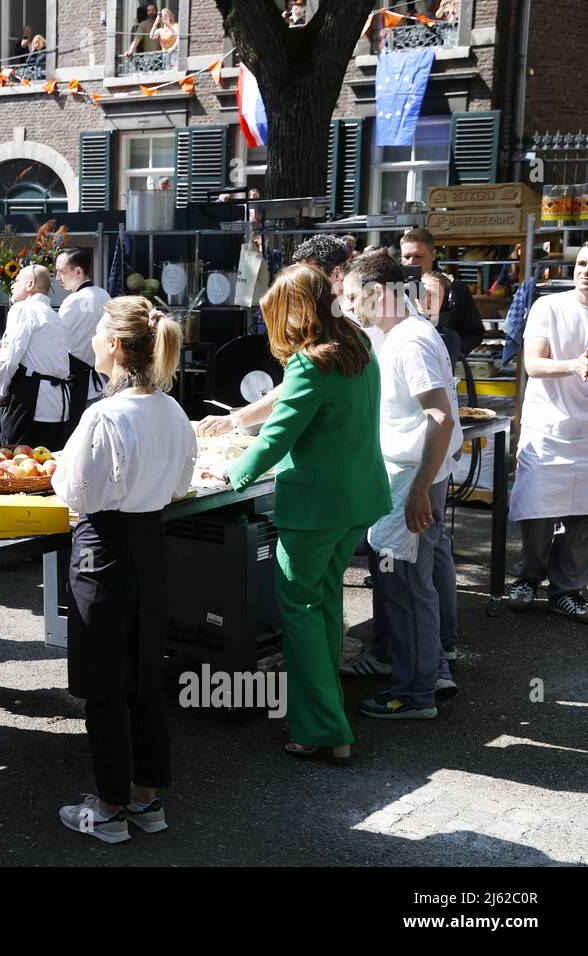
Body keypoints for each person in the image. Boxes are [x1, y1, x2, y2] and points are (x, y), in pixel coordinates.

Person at [224, 264, 391, 758]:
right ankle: (328, 715)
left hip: (316, 506)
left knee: (301, 611)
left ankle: (322, 730)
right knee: (323, 605)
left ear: (298, 311)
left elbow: (276, 438)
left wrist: (231, 476)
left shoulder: (309, 363)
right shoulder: (359, 348)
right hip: (357, 500)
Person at [52, 296, 196, 843]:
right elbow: (181, 484)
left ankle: (109, 809)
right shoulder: (172, 409)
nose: (89, 340)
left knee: (104, 682)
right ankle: (146, 800)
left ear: (114, 344)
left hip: (102, 546)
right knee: (144, 676)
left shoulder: (105, 414)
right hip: (150, 544)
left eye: (95, 333)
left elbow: (76, 490)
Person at [341, 251, 461, 720]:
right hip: (404, 478)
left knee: (408, 589)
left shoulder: (410, 340)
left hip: (409, 480)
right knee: (405, 584)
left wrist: (418, 489)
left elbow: (440, 417)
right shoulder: (402, 333)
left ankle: (415, 694)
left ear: (375, 293)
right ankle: (409, 674)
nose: (348, 306)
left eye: (353, 297)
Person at [195, 233, 353, 438]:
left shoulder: (350, 318)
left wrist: (234, 420)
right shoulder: (333, 315)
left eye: (307, 276)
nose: (299, 286)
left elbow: (298, 385)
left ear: (336, 274)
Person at [506, 247, 588, 622]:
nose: (585, 271)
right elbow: (533, 364)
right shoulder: (549, 307)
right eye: (582, 264)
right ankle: (528, 577)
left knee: (582, 517)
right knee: (537, 508)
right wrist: (574, 365)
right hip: (547, 428)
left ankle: (567, 590)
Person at [0, 264, 71, 450]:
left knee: (15, 467)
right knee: (46, 471)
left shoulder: (23, 309)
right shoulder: (55, 316)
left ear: (30, 284)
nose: (12, 285)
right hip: (59, 406)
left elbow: (8, 358)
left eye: (17, 280)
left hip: (30, 404)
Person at [400, 228, 484, 358]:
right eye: (407, 257)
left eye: (418, 256)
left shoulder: (456, 289)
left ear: (433, 255)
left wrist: (448, 352)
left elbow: (474, 333)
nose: (411, 262)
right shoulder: (394, 290)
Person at [56, 246, 112, 435]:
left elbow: (56, 338)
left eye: (61, 272)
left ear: (78, 271)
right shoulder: (103, 294)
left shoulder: (74, 300)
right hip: (100, 378)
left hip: (75, 378)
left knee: (75, 432)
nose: (57, 278)